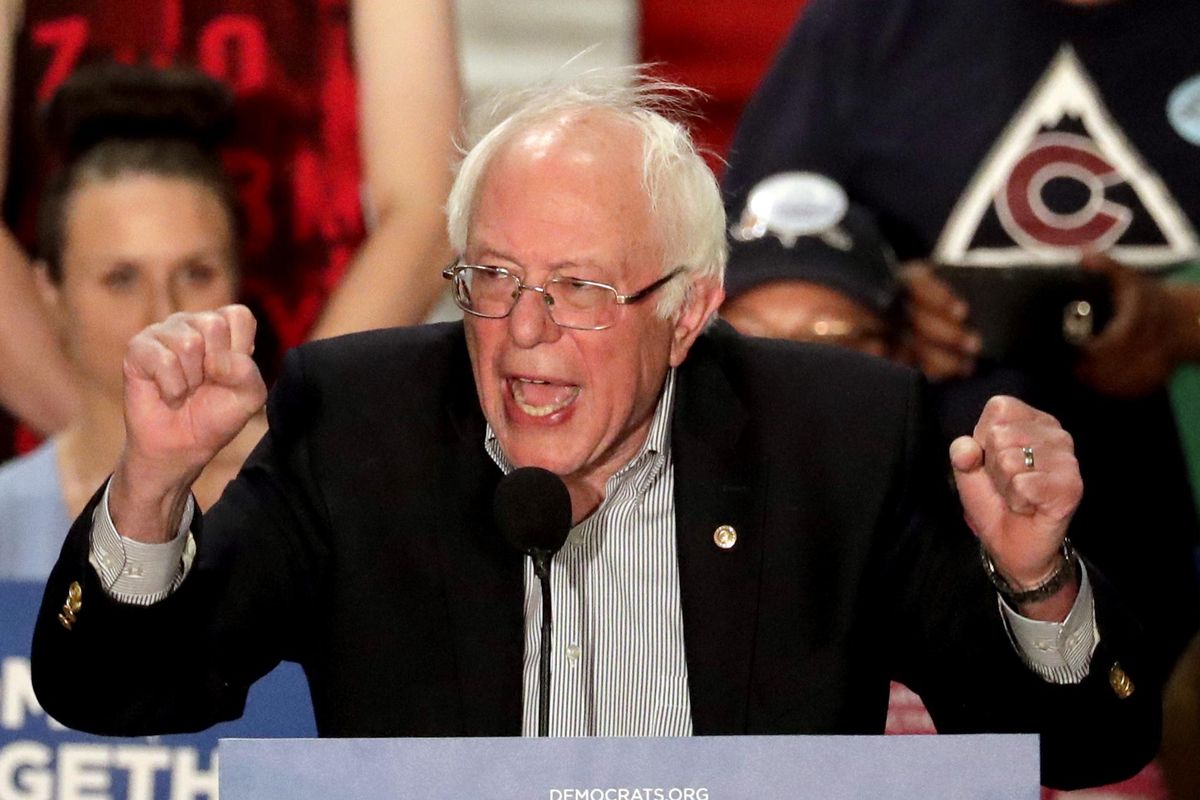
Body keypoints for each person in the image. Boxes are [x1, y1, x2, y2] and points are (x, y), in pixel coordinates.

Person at [31, 72, 1158, 791]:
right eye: (492, 277)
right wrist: (153, 487)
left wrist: (1036, 582)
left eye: (578, 287)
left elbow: (1080, 743)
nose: (525, 332)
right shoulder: (360, 423)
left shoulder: (835, 439)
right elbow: (118, 689)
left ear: (688, 311)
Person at [720, 0, 1200, 680]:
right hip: (912, 547)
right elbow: (746, 253)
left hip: (1169, 543)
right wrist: (867, 293)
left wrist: (1186, 321)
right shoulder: (873, 22)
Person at [0, 0, 459, 445]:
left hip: (300, 378)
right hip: (47, 388)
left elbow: (425, 213)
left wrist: (275, 444)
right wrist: (106, 445)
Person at [0, 64, 265, 580]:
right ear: (50, 290)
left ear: (237, 281)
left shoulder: (318, 504)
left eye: (196, 272)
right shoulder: (6, 520)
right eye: (121, 278)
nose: (162, 313)